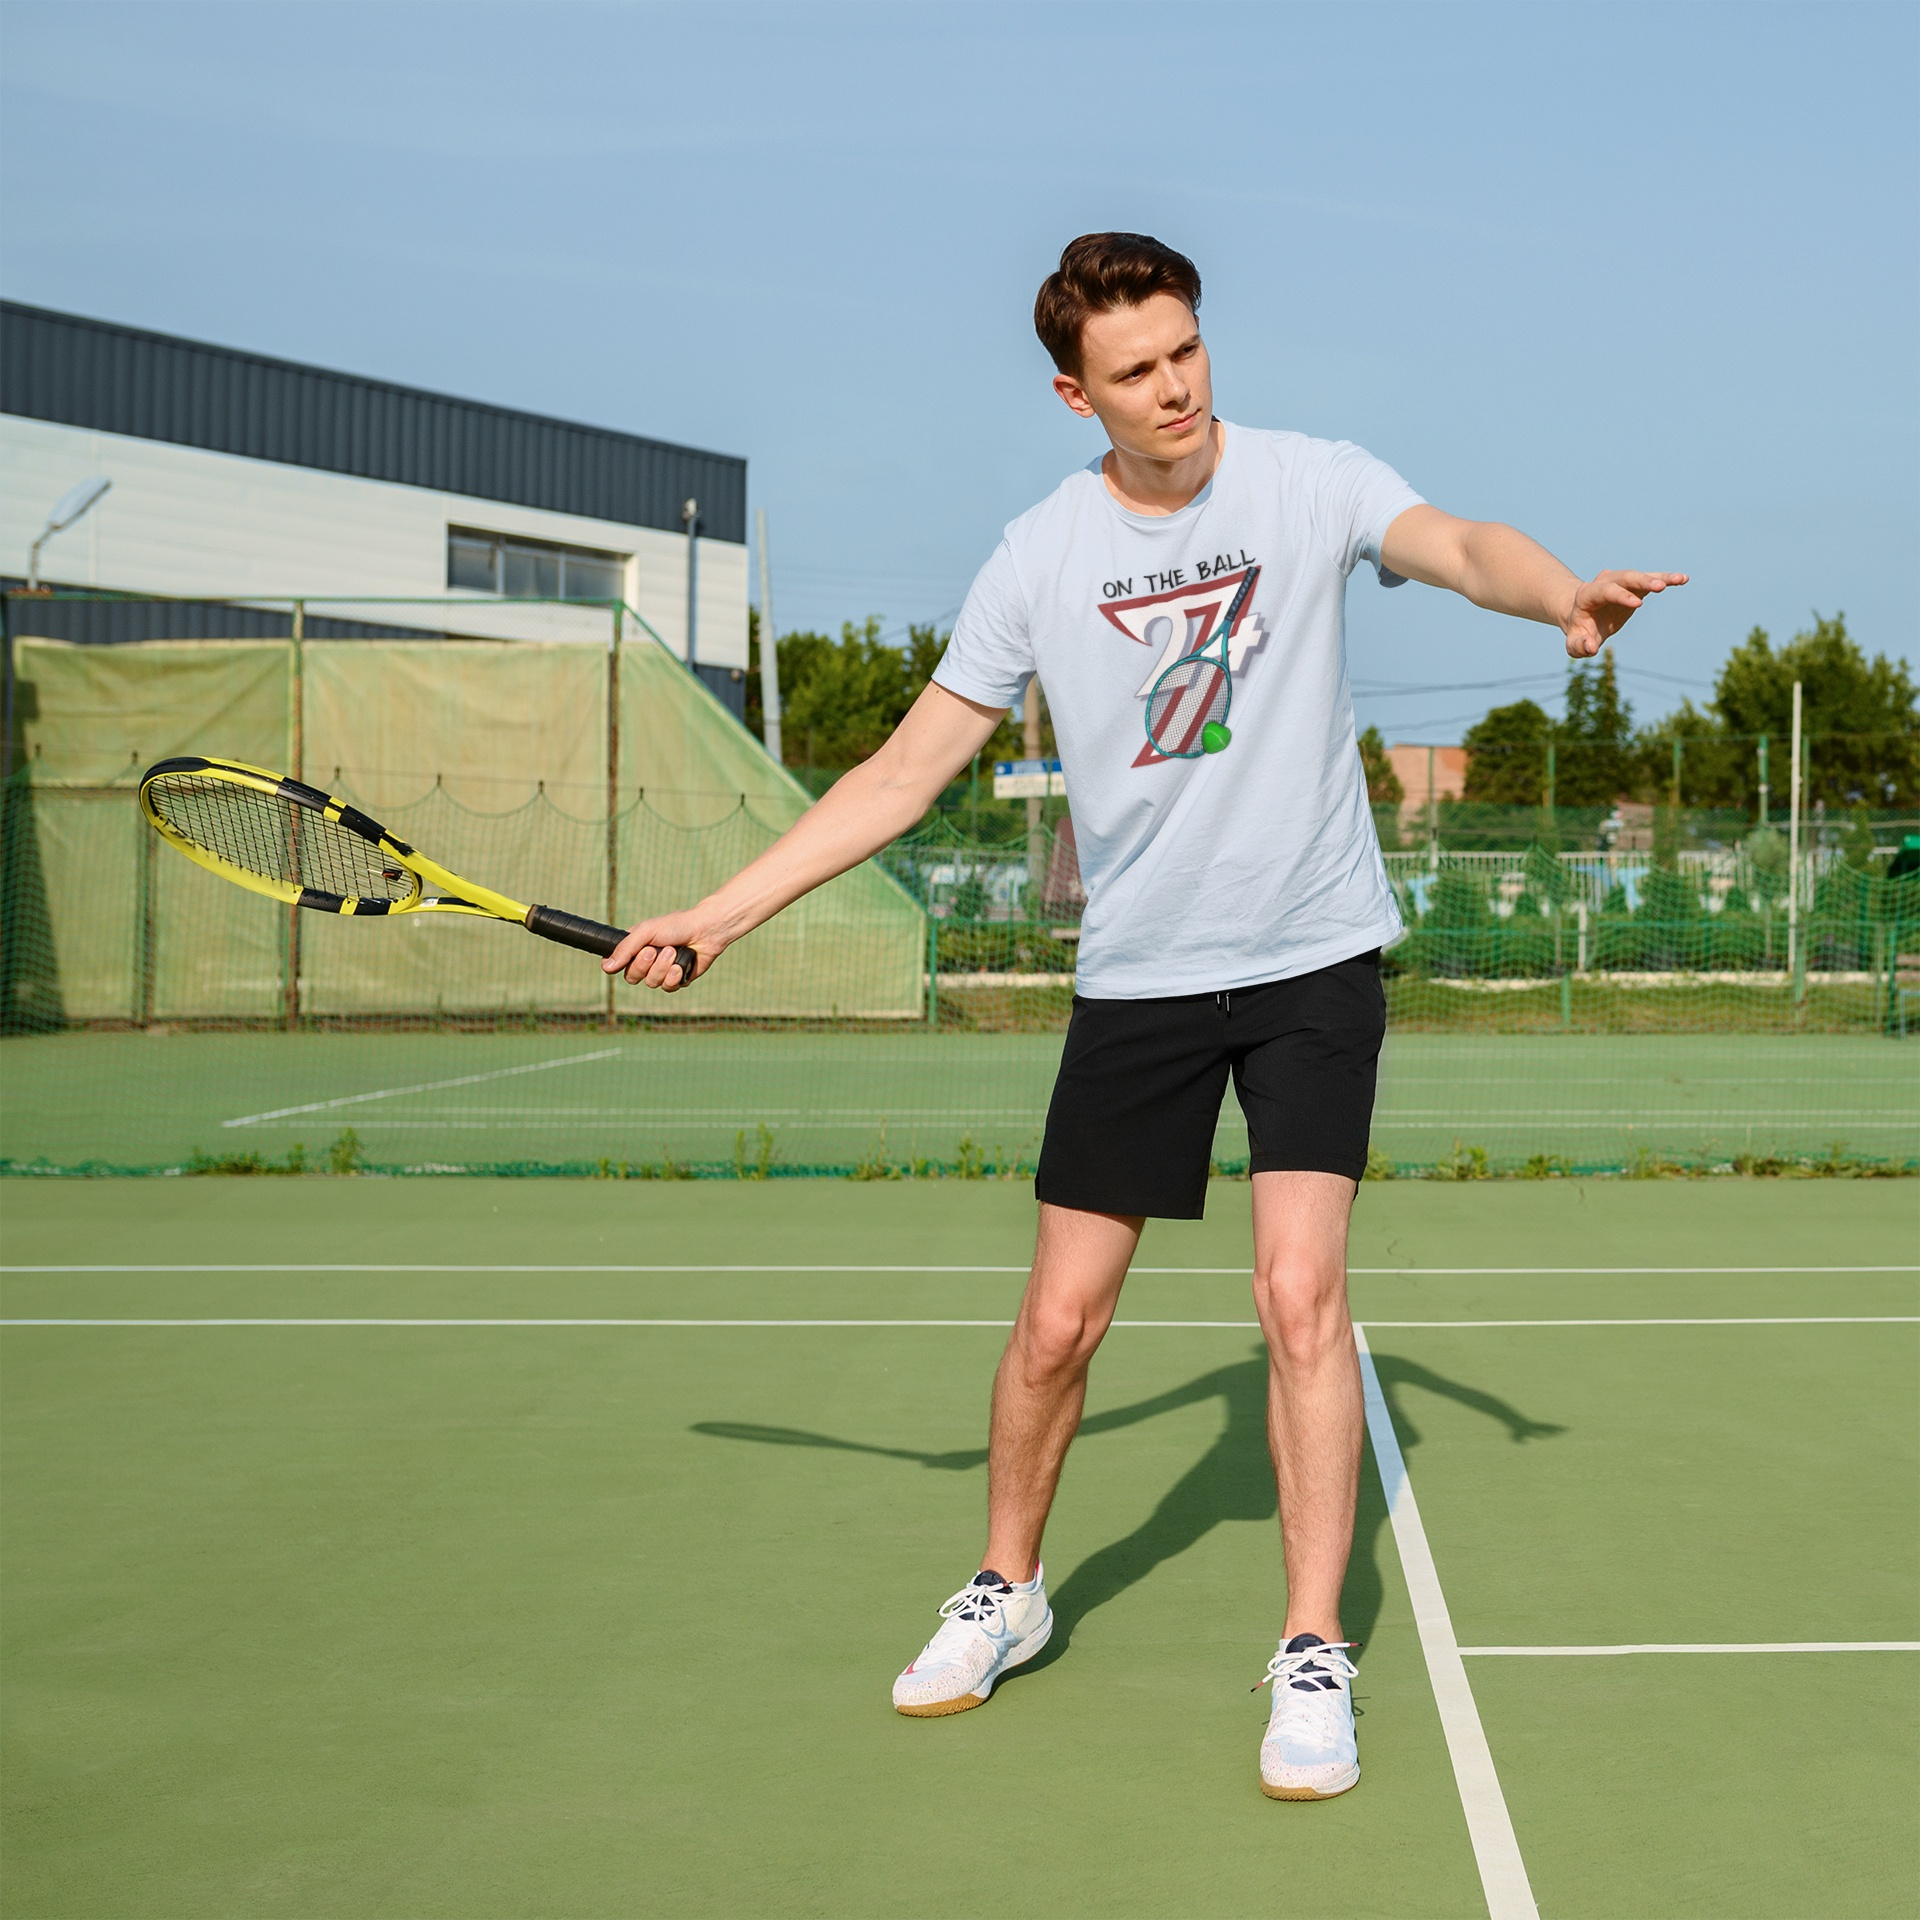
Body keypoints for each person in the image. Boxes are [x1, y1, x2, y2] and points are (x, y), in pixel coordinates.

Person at [606, 232, 1685, 1801]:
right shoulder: (1037, 557)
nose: (1174, 387)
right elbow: (902, 775)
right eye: (1135, 371)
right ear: (1074, 393)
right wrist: (719, 912)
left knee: (1300, 1297)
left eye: (1185, 350)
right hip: (1141, 983)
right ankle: (1009, 1588)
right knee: (1058, 1324)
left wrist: (1557, 601)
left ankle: (1312, 1647)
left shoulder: (1309, 482)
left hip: (1314, 959)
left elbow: (1457, 541)